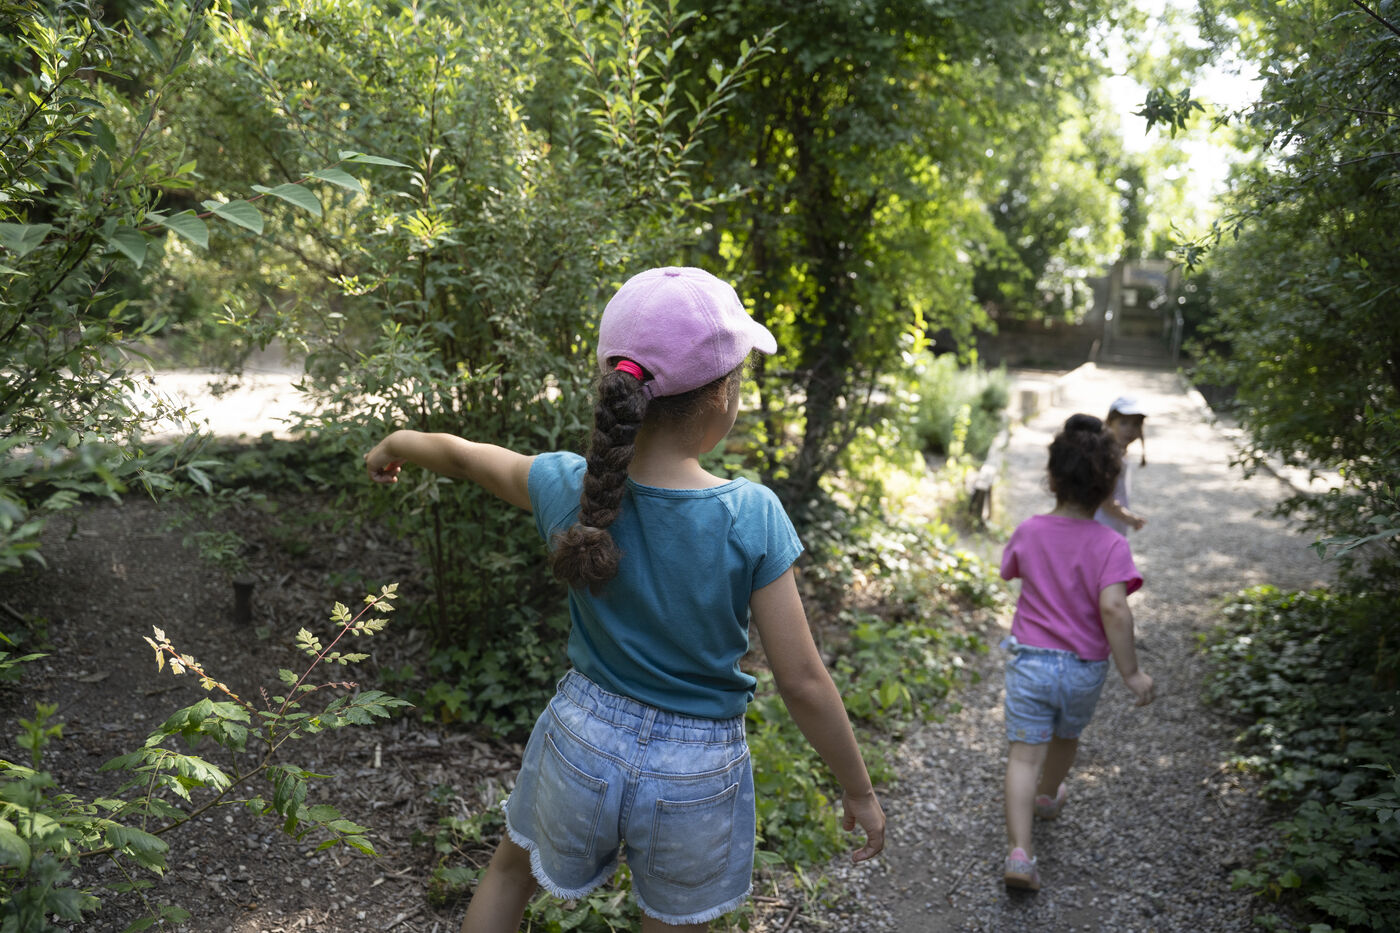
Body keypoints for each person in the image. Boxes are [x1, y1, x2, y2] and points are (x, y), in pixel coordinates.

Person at [364, 266, 885, 932]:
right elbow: (803, 681)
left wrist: (395, 443)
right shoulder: (750, 515)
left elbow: (465, 457)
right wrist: (858, 788)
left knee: (509, 874)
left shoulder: (567, 485)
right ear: (723, 396)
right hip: (695, 770)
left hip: (580, 737)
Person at [998, 413, 1155, 891]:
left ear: (1052, 478)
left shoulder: (1029, 531)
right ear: (1108, 486)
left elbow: (1010, 570)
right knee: (1066, 736)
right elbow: (1114, 608)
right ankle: (1048, 797)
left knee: (1023, 755)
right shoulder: (1111, 545)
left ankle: (1020, 855)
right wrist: (1131, 672)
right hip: (1084, 668)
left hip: (1031, 662)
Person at [1094, 396, 1148, 535]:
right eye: (1124, 423)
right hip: (1102, 527)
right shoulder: (1109, 456)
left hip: (1111, 525)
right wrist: (1129, 518)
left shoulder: (1119, 452)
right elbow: (1105, 499)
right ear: (1109, 423)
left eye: (1136, 424)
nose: (1130, 429)